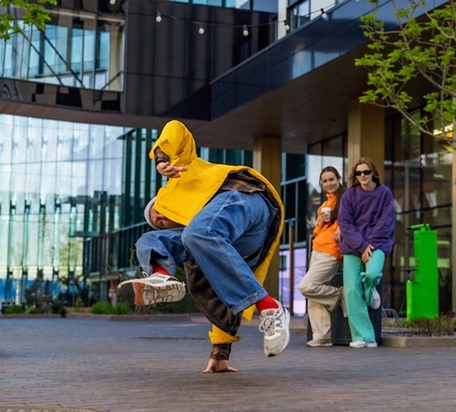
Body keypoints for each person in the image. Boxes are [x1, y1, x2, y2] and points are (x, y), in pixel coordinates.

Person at [118, 120, 288, 372]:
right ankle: (161, 275)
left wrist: (163, 158)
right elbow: (218, 299)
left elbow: (176, 129)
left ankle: (270, 308)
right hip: (232, 245)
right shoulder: (196, 239)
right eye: (159, 223)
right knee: (150, 241)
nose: (161, 220)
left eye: (159, 213)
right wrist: (220, 353)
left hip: (247, 202)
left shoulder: (183, 173)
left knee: (197, 233)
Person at [337, 158, 395, 348]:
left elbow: (386, 221)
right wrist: (362, 246)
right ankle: (363, 337)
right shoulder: (349, 196)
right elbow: (345, 224)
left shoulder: (384, 193)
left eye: (366, 172)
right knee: (352, 290)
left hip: (377, 243)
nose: (363, 176)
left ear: (374, 173)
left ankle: (370, 295)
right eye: (359, 173)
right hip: (354, 246)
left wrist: (369, 245)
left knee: (372, 274)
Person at [298, 166, 345, 347]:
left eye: (331, 179)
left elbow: (348, 222)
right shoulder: (325, 204)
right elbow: (318, 231)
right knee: (314, 295)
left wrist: (340, 227)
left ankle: (339, 294)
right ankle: (322, 336)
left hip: (331, 251)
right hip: (317, 249)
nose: (328, 183)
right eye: (325, 181)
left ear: (338, 179)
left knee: (307, 286)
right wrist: (320, 223)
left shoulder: (344, 200)